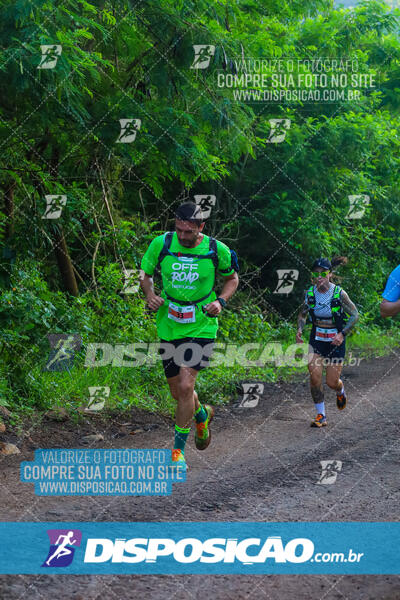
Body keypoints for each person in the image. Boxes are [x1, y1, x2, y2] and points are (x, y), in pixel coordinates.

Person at [140, 202, 239, 467]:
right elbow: (145, 274)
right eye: (179, 229)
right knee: (178, 393)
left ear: (201, 228)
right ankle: (202, 414)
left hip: (201, 324)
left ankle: (177, 453)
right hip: (169, 323)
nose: (183, 236)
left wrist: (221, 301)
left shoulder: (217, 250)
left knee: (186, 385)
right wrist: (150, 294)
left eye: (189, 231)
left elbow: (232, 279)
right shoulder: (161, 244)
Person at [296, 257, 359, 427]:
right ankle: (321, 415)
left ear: (330, 274)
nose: (319, 277)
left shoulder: (339, 293)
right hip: (316, 338)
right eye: (315, 273)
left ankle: (340, 390)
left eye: (323, 273)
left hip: (335, 341)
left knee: (331, 382)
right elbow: (302, 314)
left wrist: (342, 334)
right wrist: (300, 329)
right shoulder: (310, 293)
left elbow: (355, 315)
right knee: (314, 376)